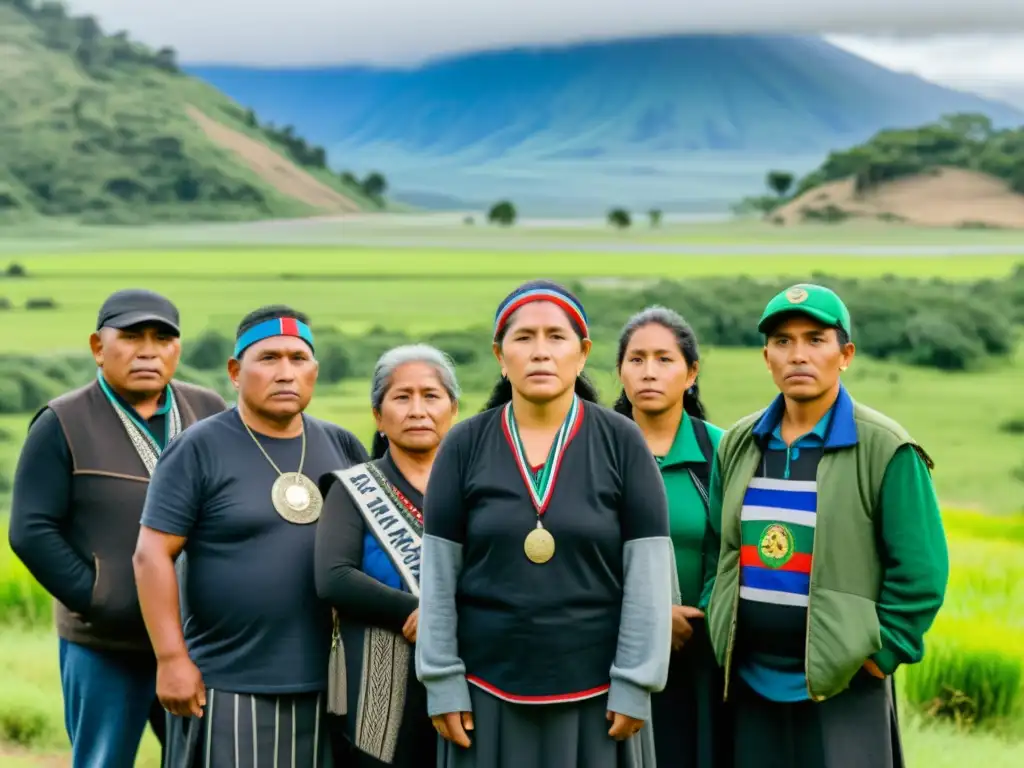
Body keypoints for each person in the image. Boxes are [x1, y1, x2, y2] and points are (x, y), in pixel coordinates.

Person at [415, 279, 673, 768]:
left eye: (556, 337)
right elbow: (439, 576)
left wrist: (637, 681)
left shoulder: (621, 441)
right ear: (499, 353)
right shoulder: (464, 445)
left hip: (600, 694)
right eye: (523, 337)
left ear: (582, 353)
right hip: (483, 693)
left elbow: (648, 575)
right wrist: (442, 681)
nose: (540, 352)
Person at [700, 284, 949, 768]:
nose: (798, 355)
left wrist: (882, 651)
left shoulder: (885, 448)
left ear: (845, 354)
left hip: (844, 685)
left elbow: (922, 570)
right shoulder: (738, 444)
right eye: (783, 341)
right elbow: (718, 548)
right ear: (766, 356)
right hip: (750, 681)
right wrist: (718, 614)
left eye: (815, 340)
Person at [132, 305, 370, 768]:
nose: (286, 373)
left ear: (315, 371)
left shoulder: (342, 445)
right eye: (269, 359)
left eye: (298, 359)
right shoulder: (198, 448)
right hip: (229, 682)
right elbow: (150, 556)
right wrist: (170, 659)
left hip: (333, 682)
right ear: (236, 372)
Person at [7, 288, 227, 768]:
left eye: (162, 338)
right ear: (97, 347)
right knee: (103, 760)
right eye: (131, 337)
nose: (148, 350)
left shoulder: (207, 409)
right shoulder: (62, 421)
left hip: (196, 639)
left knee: (203, 759)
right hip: (107, 642)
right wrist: (102, 599)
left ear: (178, 349)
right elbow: (31, 530)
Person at [315, 344, 461, 767]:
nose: (418, 409)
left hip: (469, 669)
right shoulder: (352, 488)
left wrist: (450, 615)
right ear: (379, 416)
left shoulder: (477, 489)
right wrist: (426, 612)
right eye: (402, 397)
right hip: (379, 675)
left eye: (431, 396)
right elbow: (334, 577)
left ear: (452, 409)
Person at [613, 306, 730, 768]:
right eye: (636, 359)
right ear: (620, 370)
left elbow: (734, 548)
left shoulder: (722, 450)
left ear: (691, 372)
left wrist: (693, 615)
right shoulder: (592, 449)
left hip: (702, 650)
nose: (649, 372)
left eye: (665, 359)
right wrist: (649, 617)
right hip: (612, 650)